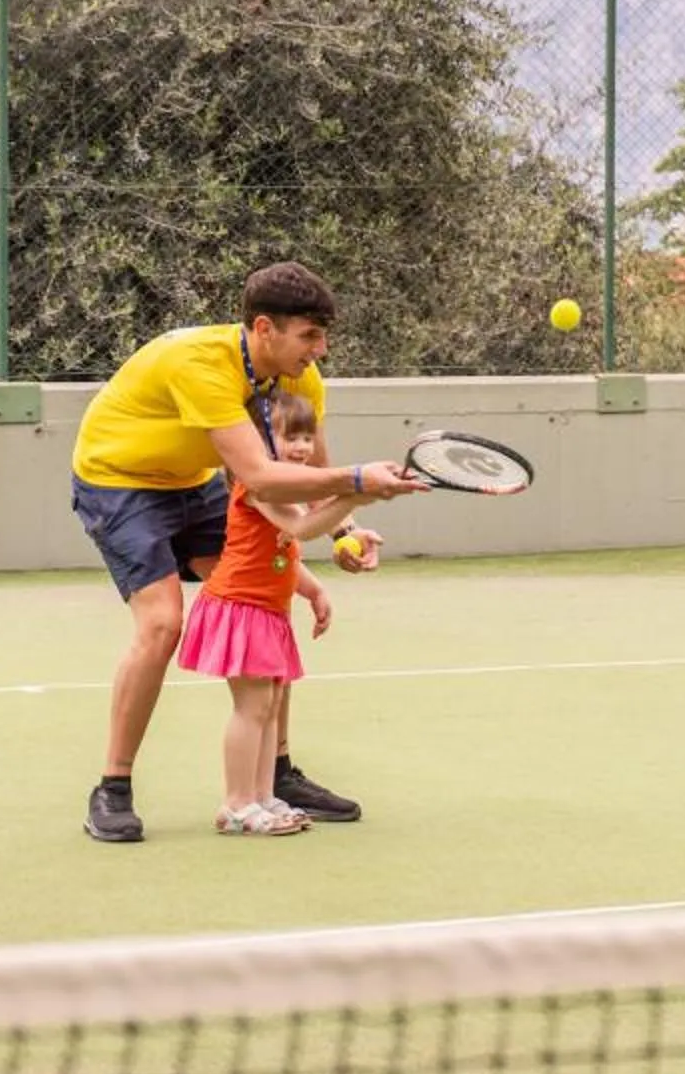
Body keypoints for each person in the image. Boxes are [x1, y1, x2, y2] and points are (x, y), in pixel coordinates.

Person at [68, 261, 426, 842]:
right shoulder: (200, 364)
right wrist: (361, 481)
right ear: (265, 328)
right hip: (119, 480)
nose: (321, 349)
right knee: (161, 624)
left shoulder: (298, 378)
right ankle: (113, 787)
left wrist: (345, 533)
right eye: (310, 335)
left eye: (323, 335)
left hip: (195, 481)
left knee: (263, 600)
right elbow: (262, 476)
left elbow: (313, 472)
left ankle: (276, 776)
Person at [181, 389, 356, 835]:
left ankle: (262, 797)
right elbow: (302, 528)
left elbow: (282, 553)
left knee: (270, 704)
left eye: (306, 437)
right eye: (289, 437)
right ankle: (236, 805)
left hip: (267, 610)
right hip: (240, 608)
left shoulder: (285, 489)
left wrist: (313, 590)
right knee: (253, 706)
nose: (302, 447)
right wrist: (357, 494)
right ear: (256, 445)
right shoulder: (258, 487)